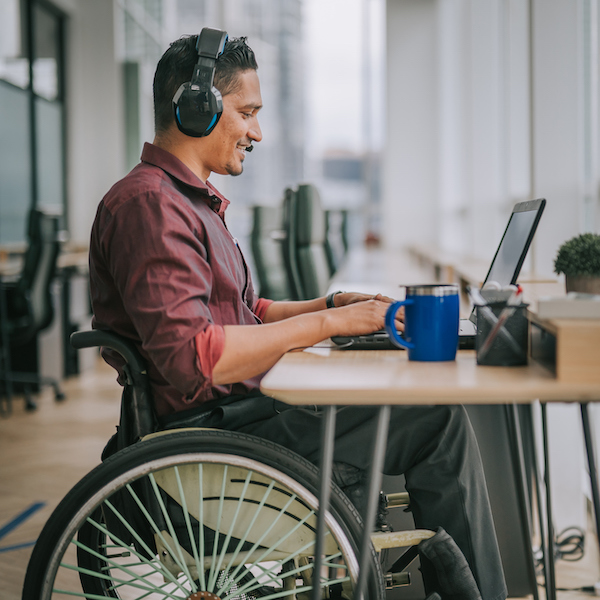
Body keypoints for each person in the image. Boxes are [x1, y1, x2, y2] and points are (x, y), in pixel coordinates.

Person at [89, 31, 507, 600]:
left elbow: (246, 312)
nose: (257, 132)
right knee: (435, 418)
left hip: (240, 415)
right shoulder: (150, 205)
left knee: (426, 411)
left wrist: (333, 306)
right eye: (247, 113)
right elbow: (195, 359)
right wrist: (330, 327)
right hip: (215, 438)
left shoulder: (186, 201)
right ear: (197, 107)